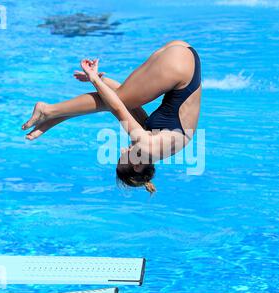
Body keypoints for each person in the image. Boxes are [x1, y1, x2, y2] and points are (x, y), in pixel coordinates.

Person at [22, 40, 201, 193]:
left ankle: (52, 118)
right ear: (137, 165)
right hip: (179, 66)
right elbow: (117, 108)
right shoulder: (148, 147)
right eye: (122, 159)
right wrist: (94, 80)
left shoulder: (157, 144)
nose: (122, 151)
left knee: (118, 99)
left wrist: (102, 81)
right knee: (113, 103)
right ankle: (49, 111)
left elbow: (125, 103)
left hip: (184, 57)